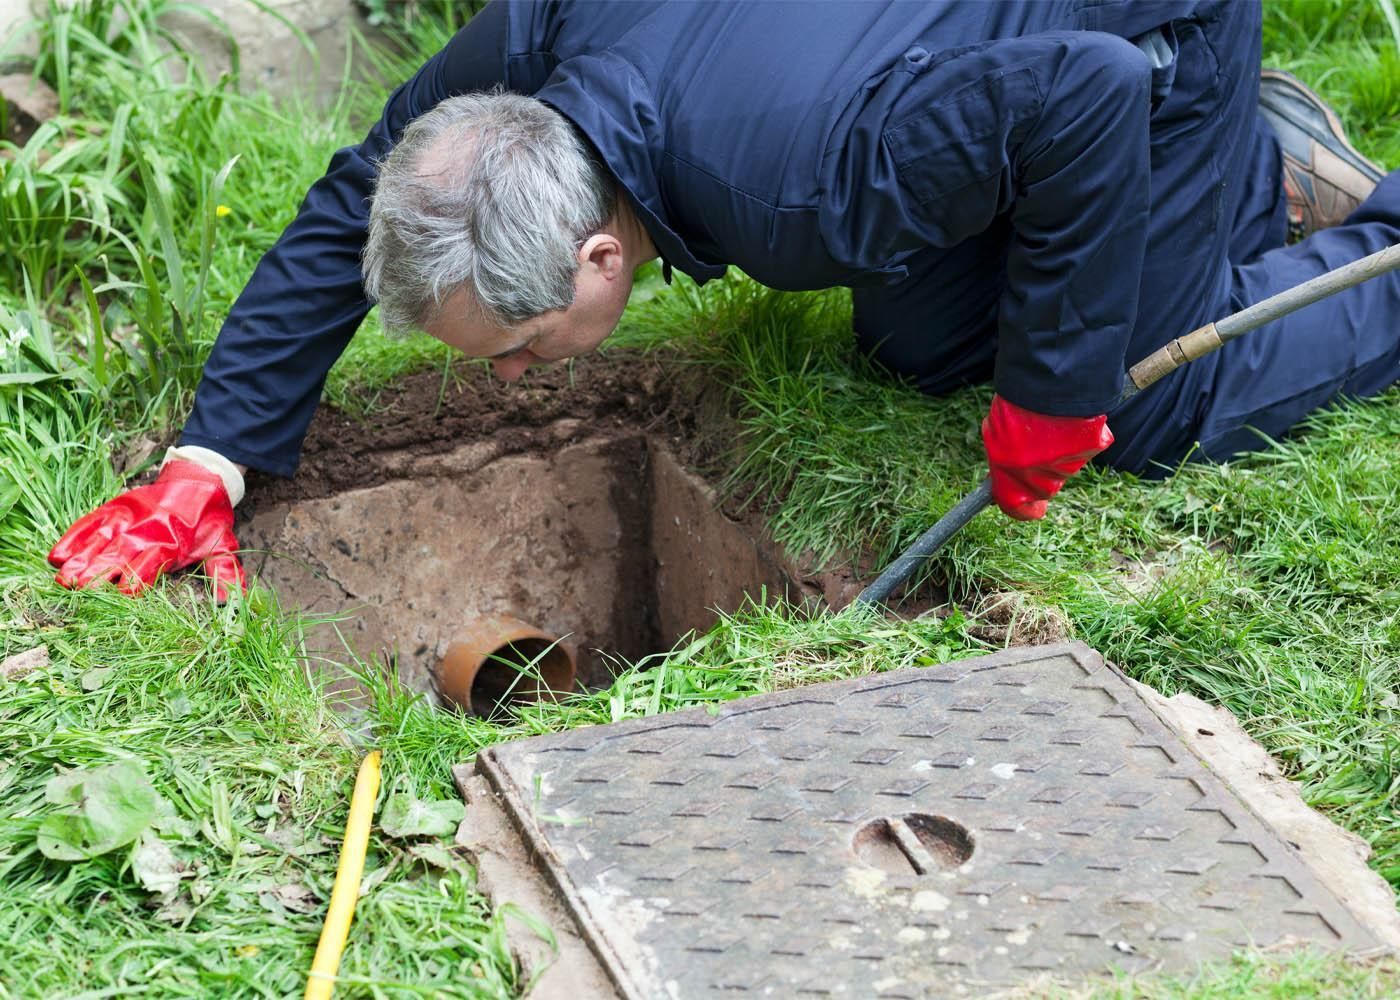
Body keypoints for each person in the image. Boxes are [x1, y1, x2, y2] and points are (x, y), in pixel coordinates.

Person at [48, 0, 1400, 599]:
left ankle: (1336, 217)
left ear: (596, 261)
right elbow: (365, 188)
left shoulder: (810, 188)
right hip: (960, 43)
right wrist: (211, 454)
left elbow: (1089, 87)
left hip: (1138, 33)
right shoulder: (531, 45)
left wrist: (1054, 401)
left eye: (518, 354)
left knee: (1134, 405)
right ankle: (1250, 171)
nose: (511, 382)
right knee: (924, 344)